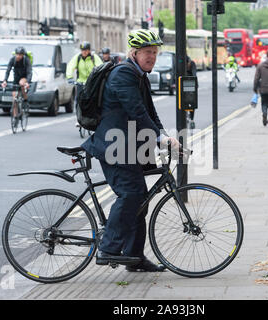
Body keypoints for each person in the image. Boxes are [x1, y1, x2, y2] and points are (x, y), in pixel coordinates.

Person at [81, 29, 181, 272]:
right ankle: (108, 248)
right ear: (134, 53)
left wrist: (163, 135)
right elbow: (136, 111)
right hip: (114, 147)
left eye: (155, 53)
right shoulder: (123, 74)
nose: (152, 57)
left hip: (128, 147)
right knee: (131, 195)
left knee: (140, 200)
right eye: (148, 52)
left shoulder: (139, 76)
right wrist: (159, 138)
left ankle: (134, 257)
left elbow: (149, 112)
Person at [66, 41, 102, 126]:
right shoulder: (77, 57)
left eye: (86, 50)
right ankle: (79, 118)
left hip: (91, 83)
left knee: (93, 100)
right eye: (82, 50)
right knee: (78, 100)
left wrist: (98, 77)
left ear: (89, 50)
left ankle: (94, 117)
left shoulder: (94, 57)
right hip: (80, 82)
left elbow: (100, 66)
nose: (84, 52)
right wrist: (70, 77)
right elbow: (70, 66)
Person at [1, 46, 32, 117]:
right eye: (17, 54)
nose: (18, 56)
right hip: (16, 78)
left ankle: (26, 101)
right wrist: (5, 81)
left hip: (24, 77)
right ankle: (15, 116)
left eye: (20, 55)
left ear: (23, 55)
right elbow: (8, 70)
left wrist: (27, 82)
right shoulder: (12, 60)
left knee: (21, 83)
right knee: (14, 98)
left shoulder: (26, 60)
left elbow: (29, 72)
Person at [186, 55, 197, 128]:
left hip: (182, 86)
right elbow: (194, 74)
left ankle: (186, 116)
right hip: (191, 85)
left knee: (182, 103)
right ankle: (192, 120)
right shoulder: (192, 63)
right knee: (191, 104)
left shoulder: (179, 63)